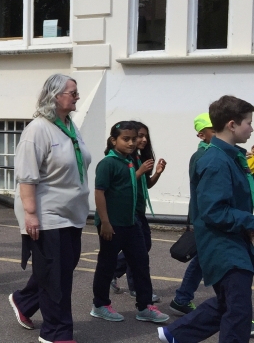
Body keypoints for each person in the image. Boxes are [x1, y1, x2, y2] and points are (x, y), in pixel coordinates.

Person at [160, 95, 254, 343]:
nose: (251, 128)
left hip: (232, 244)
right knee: (239, 312)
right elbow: (214, 212)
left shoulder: (229, 156)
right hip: (224, 247)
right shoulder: (216, 161)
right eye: (248, 122)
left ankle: (176, 334)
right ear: (232, 124)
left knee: (228, 305)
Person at [8, 74, 91, 343]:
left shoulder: (69, 126)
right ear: (56, 97)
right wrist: (31, 215)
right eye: (73, 92)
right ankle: (55, 333)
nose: (77, 96)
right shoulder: (37, 129)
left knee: (59, 270)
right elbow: (27, 177)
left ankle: (24, 301)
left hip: (72, 213)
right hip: (46, 213)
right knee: (56, 278)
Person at [90, 121, 169, 324]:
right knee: (106, 264)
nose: (132, 143)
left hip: (130, 222)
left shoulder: (130, 162)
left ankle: (145, 307)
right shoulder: (108, 163)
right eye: (126, 139)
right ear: (113, 140)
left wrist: (156, 173)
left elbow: (134, 186)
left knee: (141, 263)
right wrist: (105, 222)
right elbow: (99, 193)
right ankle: (100, 304)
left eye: (134, 139)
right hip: (112, 224)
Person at [112, 122, 166, 302]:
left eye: (145, 136)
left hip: (139, 210)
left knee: (142, 247)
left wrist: (157, 172)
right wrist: (140, 171)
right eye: (138, 136)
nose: (142, 140)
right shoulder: (125, 159)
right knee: (139, 250)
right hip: (129, 211)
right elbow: (123, 183)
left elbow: (146, 185)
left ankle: (114, 271)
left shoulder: (139, 158)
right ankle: (136, 288)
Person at [169, 113, 214, 316]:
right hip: (206, 217)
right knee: (206, 258)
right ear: (201, 134)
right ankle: (182, 298)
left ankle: (182, 298)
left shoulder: (210, 153)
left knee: (204, 259)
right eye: (214, 129)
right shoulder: (203, 156)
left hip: (205, 217)